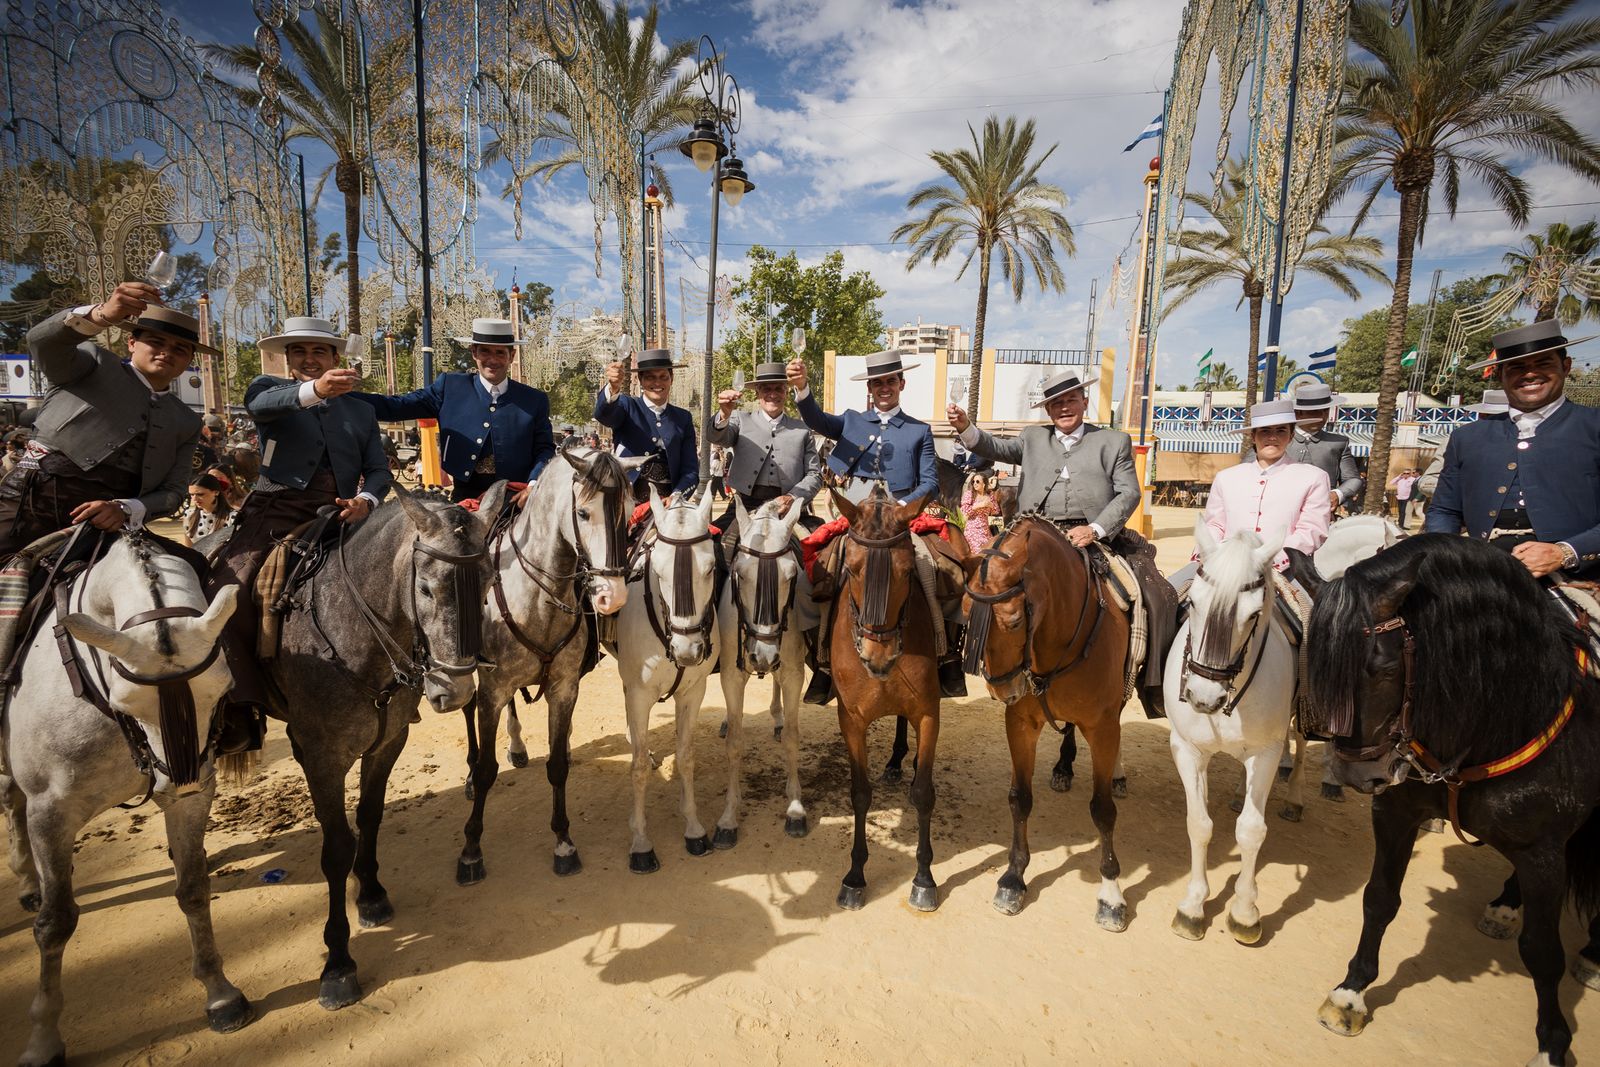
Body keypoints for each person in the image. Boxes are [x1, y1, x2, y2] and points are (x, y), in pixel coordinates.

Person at [208, 316, 392, 752]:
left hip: (343, 514)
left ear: (335, 357)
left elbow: (379, 468)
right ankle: (239, 705)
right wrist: (316, 391)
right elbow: (263, 408)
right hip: (276, 511)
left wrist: (367, 499)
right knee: (226, 590)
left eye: (319, 352)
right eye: (300, 352)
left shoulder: (362, 409)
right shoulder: (266, 390)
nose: (310, 359)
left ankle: (401, 683)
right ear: (288, 359)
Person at [949, 367, 1177, 696]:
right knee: (984, 581)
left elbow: (1129, 493)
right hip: (1032, 535)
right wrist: (966, 428)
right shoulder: (1032, 438)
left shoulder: (1113, 442)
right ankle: (973, 662)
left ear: (1084, 402)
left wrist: (1096, 529)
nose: (1064, 407)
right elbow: (995, 447)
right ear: (1048, 410)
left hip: (1095, 538)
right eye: (1056, 403)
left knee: (1153, 594)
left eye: (1071, 400)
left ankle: (1151, 686)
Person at [789, 350, 964, 698]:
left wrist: (903, 508)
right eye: (878, 382)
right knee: (823, 573)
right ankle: (823, 661)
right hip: (857, 519)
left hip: (901, 521)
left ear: (901, 383)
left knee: (936, 569)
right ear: (870, 387)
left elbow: (929, 481)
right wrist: (802, 388)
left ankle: (944, 657)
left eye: (890, 381)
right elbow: (816, 419)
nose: (884, 387)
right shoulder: (853, 421)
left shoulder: (919, 430)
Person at [0, 283, 207, 558]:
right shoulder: (92, 362)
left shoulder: (188, 421)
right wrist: (102, 314)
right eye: (156, 342)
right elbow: (41, 340)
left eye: (180, 349)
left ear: (189, 360)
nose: (167, 352)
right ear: (131, 342)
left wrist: (124, 509)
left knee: (193, 566)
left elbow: (173, 492)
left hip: (106, 525)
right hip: (31, 504)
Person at [1426, 319, 1600, 578]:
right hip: (1482, 576)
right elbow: (1444, 510)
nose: (1529, 374)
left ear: (1566, 366)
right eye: (1517, 367)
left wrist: (1565, 552)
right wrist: (1446, 559)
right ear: (1500, 375)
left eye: (1543, 363)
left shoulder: (1593, 425)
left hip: (1578, 578)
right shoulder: (1467, 437)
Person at [352, 317, 553, 506]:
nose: (492, 359)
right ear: (474, 352)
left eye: (500, 352)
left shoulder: (534, 400)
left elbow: (545, 449)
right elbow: (395, 406)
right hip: (463, 499)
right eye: (485, 351)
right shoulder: (450, 387)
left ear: (512, 355)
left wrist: (534, 485)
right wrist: (341, 395)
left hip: (517, 501)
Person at [1201, 399, 1332, 571]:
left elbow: (1312, 530)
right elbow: (1215, 525)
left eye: (1281, 431)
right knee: (1175, 591)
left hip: (1285, 568)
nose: (1272, 437)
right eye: (1264, 431)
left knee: (1306, 599)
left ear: (1291, 436)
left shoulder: (1313, 477)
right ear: (1253, 436)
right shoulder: (1226, 478)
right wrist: (1209, 551)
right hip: (1226, 566)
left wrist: (1270, 559)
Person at [706, 360, 824, 543]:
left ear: (786, 392)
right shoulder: (739, 419)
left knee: (822, 550)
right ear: (757, 393)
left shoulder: (802, 430)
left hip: (788, 508)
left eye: (778, 389)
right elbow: (717, 438)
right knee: (710, 544)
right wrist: (724, 414)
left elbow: (815, 474)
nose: (772, 394)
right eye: (766, 389)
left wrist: (792, 497)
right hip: (745, 506)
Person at [595, 349, 698, 502]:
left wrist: (677, 496)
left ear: (672, 379)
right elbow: (605, 416)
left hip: (669, 505)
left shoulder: (683, 418)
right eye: (650, 377)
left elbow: (690, 470)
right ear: (641, 380)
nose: (657, 383)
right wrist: (613, 388)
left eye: (663, 377)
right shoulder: (626, 405)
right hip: (626, 500)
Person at [1248, 381, 1361, 515]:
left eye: (1325, 410)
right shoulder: (1274, 440)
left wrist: (1337, 494)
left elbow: (1353, 478)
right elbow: (1247, 472)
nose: (1322, 416)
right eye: (1314, 412)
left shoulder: (1338, 442)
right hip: (1274, 511)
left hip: (1320, 513)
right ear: (1298, 413)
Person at [181, 471, 234, 546]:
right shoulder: (189, 515)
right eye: (192, 495)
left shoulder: (232, 517)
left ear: (216, 492)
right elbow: (188, 548)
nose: (194, 499)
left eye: (200, 494)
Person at [959, 472, 998, 552]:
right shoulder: (969, 494)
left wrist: (991, 505)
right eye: (973, 481)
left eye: (977, 481)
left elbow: (996, 511)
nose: (975, 484)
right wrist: (980, 505)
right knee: (980, 551)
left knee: (991, 552)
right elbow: (964, 510)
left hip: (986, 531)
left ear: (984, 484)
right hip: (972, 530)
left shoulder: (990, 496)